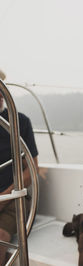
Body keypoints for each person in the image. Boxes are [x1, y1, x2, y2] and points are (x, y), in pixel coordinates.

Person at [0, 90, 39, 265]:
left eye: (1, 91)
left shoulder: (19, 122)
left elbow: (31, 172)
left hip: (13, 198)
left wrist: (3, 198)